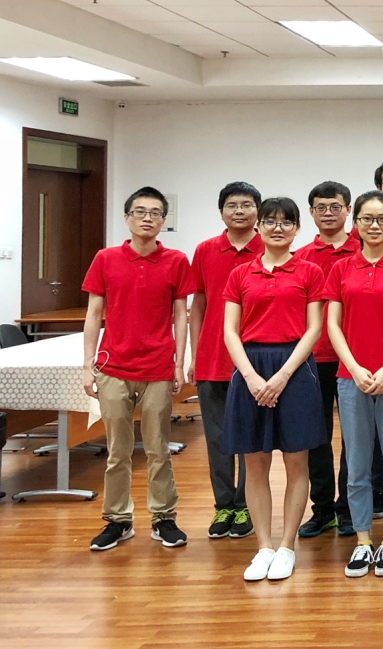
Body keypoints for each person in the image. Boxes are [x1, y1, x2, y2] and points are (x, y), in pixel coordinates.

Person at [83, 187, 194, 552]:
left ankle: (164, 518)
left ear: (163, 220)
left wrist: (179, 362)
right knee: (118, 450)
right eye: (140, 212)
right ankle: (118, 520)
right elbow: (94, 314)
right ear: (127, 218)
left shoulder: (176, 260)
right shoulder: (105, 258)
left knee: (159, 449)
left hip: (158, 367)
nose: (148, 218)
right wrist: (87, 366)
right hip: (113, 366)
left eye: (155, 213)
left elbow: (181, 315)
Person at [222, 197, 326, 581]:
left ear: (297, 228)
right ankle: (263, 547)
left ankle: (287, 547)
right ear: (258, 228)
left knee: (297, 462)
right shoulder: (240, 273)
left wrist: (283, 375)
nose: (277, 228)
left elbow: (314, 329)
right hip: (250, 368)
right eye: (270, 221)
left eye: (286, 222)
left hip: (294, 369)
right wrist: (250, 376)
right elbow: (230, 330)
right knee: (254, 464)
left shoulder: (310, 271)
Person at [324, 191, 383, 578]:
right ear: (356, 224)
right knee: (357, 464)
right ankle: (363, 541)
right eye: (367, 219)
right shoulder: (341, 268)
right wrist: (354, 367)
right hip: (351, 380)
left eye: (382, 219)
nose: (375, 225)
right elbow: (333, 324)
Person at [188, 181, 263, 541]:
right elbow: (198, 305)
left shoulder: (269, 248)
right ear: (221, 212)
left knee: (251, 436)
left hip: (256, 361)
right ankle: (223, 505)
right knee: (216, 437)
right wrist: (194, 353)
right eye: (232, 205)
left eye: (246, 205)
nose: (239, 211)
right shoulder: (205, 250)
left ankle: (245, 504)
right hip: (212, 358)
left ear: (257, 211)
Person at [295, 181, 359, 539]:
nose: (329, 213)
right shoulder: (301, 257)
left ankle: (349, 508)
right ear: (311, 213)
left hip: (353, 358)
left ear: (348, 210)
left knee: (355, 438)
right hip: (312, 358)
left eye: (336, 206)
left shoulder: (362, 251)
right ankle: (322, 510)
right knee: (315, 437)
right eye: (321, 207)